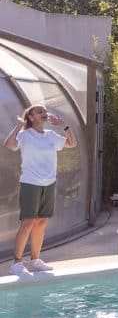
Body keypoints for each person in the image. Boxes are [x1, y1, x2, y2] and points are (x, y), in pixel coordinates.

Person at [4, 105, 77, 276]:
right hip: (30, 184)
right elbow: (9, 145)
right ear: (30, 117)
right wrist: (18, 126)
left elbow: (72, 143)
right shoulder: (25, 135)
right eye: (39, 112)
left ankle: (35, 260)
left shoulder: (51, 135)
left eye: (44, 111)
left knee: (42, 222)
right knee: (28, 223)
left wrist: (64, 126)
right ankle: (17, 263)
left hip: (49, 183)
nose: (44, 113)